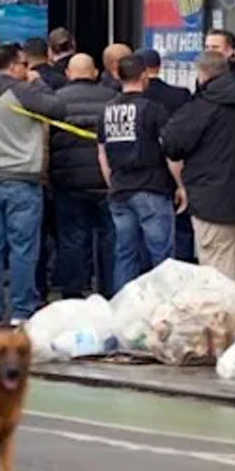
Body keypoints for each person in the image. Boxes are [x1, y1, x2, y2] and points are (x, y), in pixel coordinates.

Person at [0, 44, 65, 326]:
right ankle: (22, 310)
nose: (28, 70)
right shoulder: (21, 92)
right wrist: (40, 84)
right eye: (25, 65)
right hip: (21, 178)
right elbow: (58, 108)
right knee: (22, 248)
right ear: (12, 66)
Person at [162, 52, 235, 300]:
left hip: (213, 200)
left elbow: (172, 144)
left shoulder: (201, 107)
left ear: (202, 75)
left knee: (217, 273)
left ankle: (226, 334)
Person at [99, 54, 187, 293]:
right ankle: (163, 309)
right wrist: (180, 185)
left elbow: (103, 154)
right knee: (162, 257)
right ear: (144, 75)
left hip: (119, 189)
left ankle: (123, 311)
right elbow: (169, 152)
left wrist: (113, 183)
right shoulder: (153, 110)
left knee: (125, 254)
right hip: (151, 188)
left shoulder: (107, 111)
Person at [51, 54, 119, 298]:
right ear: (96, 73)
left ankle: (72, 293)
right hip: (106, 182)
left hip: (68, 182)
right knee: (110, 240)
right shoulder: (113, 100)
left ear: (68, 73)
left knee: (71, 240)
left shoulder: (55, 101)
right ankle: (110, 293)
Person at [138, 48, 195, 262]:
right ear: (159, 67)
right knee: (180, 229)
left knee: (143, 238)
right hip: (175, 167)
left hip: (143, 174)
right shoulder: (180, 96)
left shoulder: (132, 97)